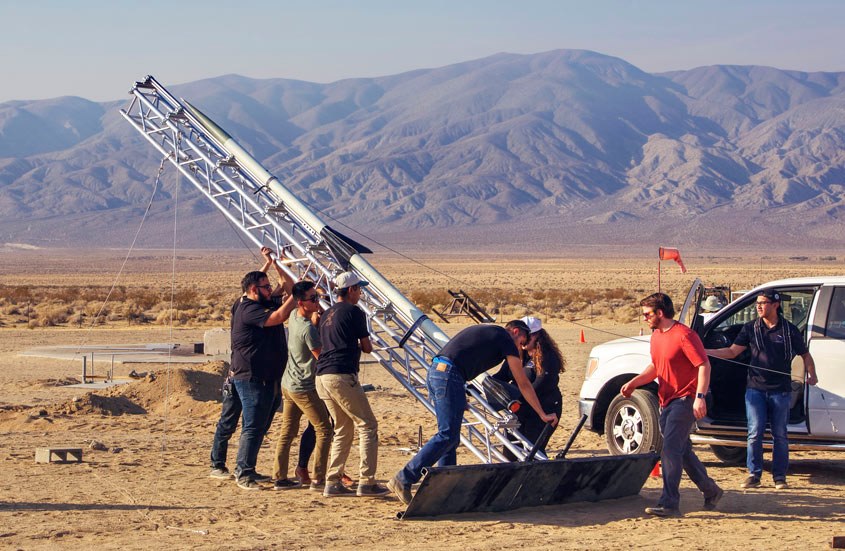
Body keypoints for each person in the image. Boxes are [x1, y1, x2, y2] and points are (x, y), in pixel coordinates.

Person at [388, 320, 559, 505]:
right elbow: (524, 384)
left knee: (450, 437)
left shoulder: (489, 331)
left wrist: (459, 392)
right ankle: (404, 478)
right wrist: (542, 413)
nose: (522, 347)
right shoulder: (505, 339)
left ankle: (445, 488)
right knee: (447, 435)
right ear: (516, 331)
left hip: (439, 372)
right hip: (449, 375)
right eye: (522, 341)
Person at [620, 293, 723, 517]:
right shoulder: (657, 336)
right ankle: (711, 490)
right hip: (666, 399)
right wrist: (633, 383)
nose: (645, 318)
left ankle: (669, 503)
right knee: (682, 450)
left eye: (648, 314)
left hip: (685, 399)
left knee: (670, 450)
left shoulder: (684, 335)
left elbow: (703, 365)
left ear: (660, 313)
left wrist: (700, 397)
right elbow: (656, 367)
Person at [706, 289, 817, 490]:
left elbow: (806, 356)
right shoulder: (750, 328)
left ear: (775, 305)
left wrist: (812, 374)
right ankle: (754, 474)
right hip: (755, 390)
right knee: (755, 433)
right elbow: (732, 352)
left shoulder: (789, 330)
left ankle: (780, 477)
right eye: (757, 302)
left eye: (763, 302)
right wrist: (706, 352)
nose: (758, 306)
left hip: (780, 391)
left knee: (780, 435)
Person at [209, 268, 296, 490]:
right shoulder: (248, 308)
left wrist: (277, 264)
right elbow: (279, 316)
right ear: (253, 289)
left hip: (265, 377)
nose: (271, 290)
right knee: (248, 425)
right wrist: (297, 296)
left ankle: (248, 468)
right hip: (250, 378)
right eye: (266, 287)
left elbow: (283, 286)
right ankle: (240, 471)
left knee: (258, 425)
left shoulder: (262, 302)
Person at [315, 271, 390, 497]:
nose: (360, 294)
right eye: (359, 289)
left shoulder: (328, 312)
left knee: (343, 428)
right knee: (367, 425)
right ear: (351, 290)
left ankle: (333, 481)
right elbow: (366, 347)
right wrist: (365, 344)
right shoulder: (354, 312)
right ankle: (367, 482)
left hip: (322, 377)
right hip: (341, 375)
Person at [272, 280, 334, 491]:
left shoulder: (293, 317)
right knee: (324, 430)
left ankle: (279, 477)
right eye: (313, 299)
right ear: (301, 302)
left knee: (287, 432)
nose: (317, 302)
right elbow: (320, 357)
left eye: (317, 297)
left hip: (288, 383)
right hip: (304, 387)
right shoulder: (308, 330)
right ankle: (318, 478)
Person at [492, 316, 564, 456]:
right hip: (519, 409)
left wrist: (518, 397)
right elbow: (501, 376)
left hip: (544, 408)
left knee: (532, 450)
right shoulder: (517, 356)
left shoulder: (547, 356)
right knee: (511, 451)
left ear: (538, 336)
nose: (523, 340)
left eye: (528, 336)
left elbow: (542, 383)